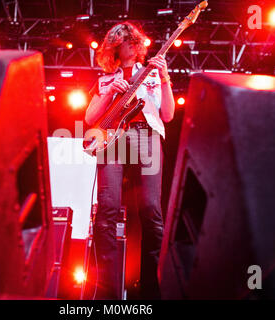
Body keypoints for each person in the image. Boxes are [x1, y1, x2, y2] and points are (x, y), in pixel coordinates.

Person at [84, 21, 175, 300]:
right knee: (107, 209)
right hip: (113, 139)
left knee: (150, 209)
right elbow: (89, 118)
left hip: (146, 135)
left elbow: (168, 114)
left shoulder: (151, 74)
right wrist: (111, 91)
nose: (133, 45)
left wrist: (165, 78)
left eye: (135, 40)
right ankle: (107, 291)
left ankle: (152, 289)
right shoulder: (104, 79)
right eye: (126, 41)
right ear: (116, 47)